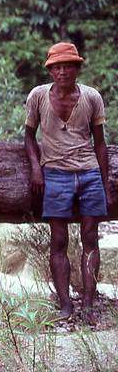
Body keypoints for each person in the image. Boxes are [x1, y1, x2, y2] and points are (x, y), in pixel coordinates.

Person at [24, 42, 114, 321]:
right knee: (58, 240)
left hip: (88, 173)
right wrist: (36, 169)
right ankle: (65, 304)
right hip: (55, 173)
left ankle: (88, 303)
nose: (62, 71)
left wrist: (104, 182)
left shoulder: (91, 97)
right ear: (50, 70)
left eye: (68, 66)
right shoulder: (38, 96)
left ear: (76, 68)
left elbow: (100, 143)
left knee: (90, 238)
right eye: (57, 67)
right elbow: (29, 136)